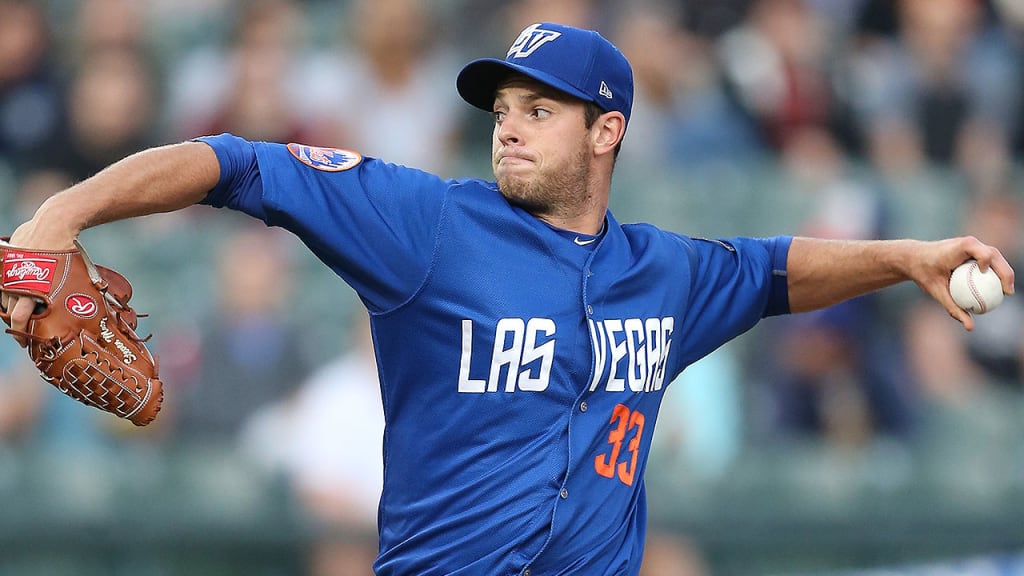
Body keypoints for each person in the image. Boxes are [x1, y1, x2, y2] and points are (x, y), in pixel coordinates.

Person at [0, 22, 1014, 576]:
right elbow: (235, 161)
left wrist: (907, 255)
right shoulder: (427, 223)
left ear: (607, 130)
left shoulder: (665, 272)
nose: (509, 127)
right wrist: (62, 212)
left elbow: (777, 268)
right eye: (501, 109)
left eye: (540, 109)